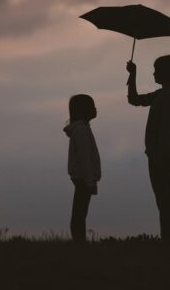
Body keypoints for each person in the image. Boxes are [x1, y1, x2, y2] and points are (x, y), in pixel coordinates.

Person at [126, 55, 170, 241]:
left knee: (164, 201)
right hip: (159, 154)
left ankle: (167, 242)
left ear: (166, 73)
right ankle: (166, 240)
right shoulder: (162, 94)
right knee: (162, 201)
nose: (153, 73)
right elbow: (134, 99)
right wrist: (132, 75)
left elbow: (167, 129)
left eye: (157, 70)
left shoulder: (169, 96)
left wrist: (159, 155)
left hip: (162, 155)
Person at [63, 94, 101, 243]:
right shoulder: (81, 131)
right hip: (83, 178)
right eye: (92, 106)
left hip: (83, 178)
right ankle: (79, 241)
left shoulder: (82, 129)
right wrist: (90, 181)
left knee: (80, 212)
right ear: (84, 110)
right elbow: (85, 158)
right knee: (79, 213)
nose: (95, 109)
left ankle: (79, 241)